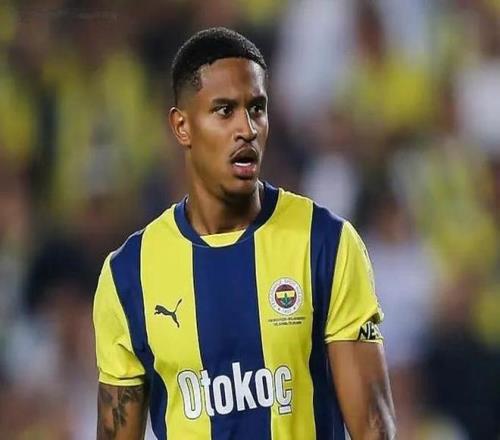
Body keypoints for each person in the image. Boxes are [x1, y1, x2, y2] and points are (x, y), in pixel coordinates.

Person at [93, 27, 396, 440]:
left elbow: (374, 428)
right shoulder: (128, 276)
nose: (247, 128)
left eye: (257, 108)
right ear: (182, 126)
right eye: (224, 111)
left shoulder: (325, 244)